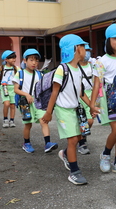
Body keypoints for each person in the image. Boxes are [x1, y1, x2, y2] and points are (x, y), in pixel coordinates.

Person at [42, 34, 98, 185]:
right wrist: (48, 112)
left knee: (79, 136)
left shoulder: (78, 68)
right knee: (73, 140)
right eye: (83, 47)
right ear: (75, 49)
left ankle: (65, 154)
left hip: (75, 109)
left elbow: (80, 92)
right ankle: (74, 172)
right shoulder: (62, 69)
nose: (85, 50)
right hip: (63, 110)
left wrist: (91, 106)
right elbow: (54, 92)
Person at [89, 24, 116, 175]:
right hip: (112, 99)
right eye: (115, 38)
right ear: (108, 41)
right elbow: (96, 84)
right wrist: (93, 105)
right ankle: (106, 154)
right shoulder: (102, 61)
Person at [13, 48, 58, 153]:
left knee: (44, 121)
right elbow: (16, 89)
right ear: (25, 61)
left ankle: (47, 143)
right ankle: (26, 143)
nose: (34, 63)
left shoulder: (40, 74)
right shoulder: (20, 74)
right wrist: (27, 95)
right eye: (31, 60)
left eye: (36, 60)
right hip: (25, 103)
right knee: (28, 124)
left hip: (38, 102)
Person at [77, 44, 95, 155]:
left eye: (89, 50)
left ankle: (82, 137)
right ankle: (82, 143)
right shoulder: (76, 66)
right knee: (82, 120)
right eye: (85, 50)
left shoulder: (92, 66)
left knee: (90, 120)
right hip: (79, 96)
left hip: (90, 94)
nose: (87, 53)